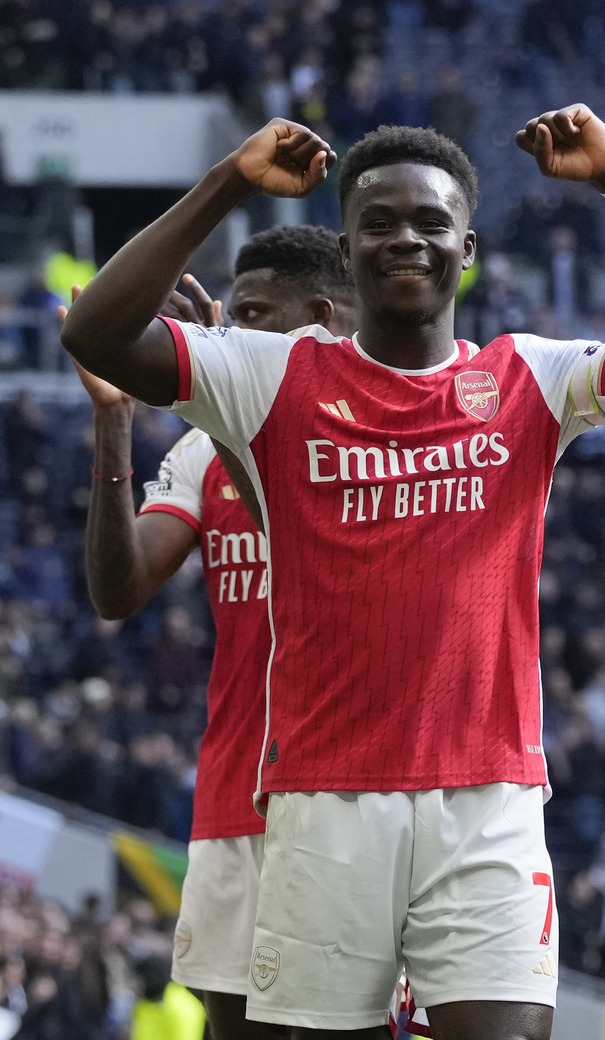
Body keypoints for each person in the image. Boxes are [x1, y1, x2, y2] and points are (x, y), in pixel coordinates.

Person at [61, 110, 605, 1039]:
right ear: (348, 248)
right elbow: (98, 332)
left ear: (468, 245)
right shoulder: (271, 376)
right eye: (378, 222)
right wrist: (229, 179)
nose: (405, 238)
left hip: (488, 797)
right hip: (322, 800)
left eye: (430, 221)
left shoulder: (530, 378)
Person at [65, 225, 357, 1040]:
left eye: (254, 315)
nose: (230, 332)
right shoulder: (202, 452)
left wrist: (226, 412)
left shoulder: (374, 438)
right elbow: (117, 591)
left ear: (321, 321)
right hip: (234, 795)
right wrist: (116, 418)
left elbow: (309, 542)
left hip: (348, 795)